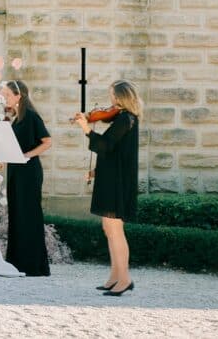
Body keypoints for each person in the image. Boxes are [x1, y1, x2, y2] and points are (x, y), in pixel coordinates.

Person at [72, 79, 142, 296]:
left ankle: (125, 279)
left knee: (115, 230)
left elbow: (105, 145)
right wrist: (96, 171)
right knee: (108, 229)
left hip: (117, 182)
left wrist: (86, 129)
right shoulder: (122, 118)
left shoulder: (126, 119)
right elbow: (115, 153)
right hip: (111, 178)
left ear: (121, 97)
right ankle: (115, 276)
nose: (110, 100)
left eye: (112, 95)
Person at [1, 79, 52, 277]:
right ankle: (17, 263)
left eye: (6, 95)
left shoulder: (31, 116)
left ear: (18, 96)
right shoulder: (16, 117)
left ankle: (33, 266)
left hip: (29, 173)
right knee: (17, 214)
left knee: (29, 215)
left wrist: (27, 155)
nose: (4, 98)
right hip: (16, 171)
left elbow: (47, 142)